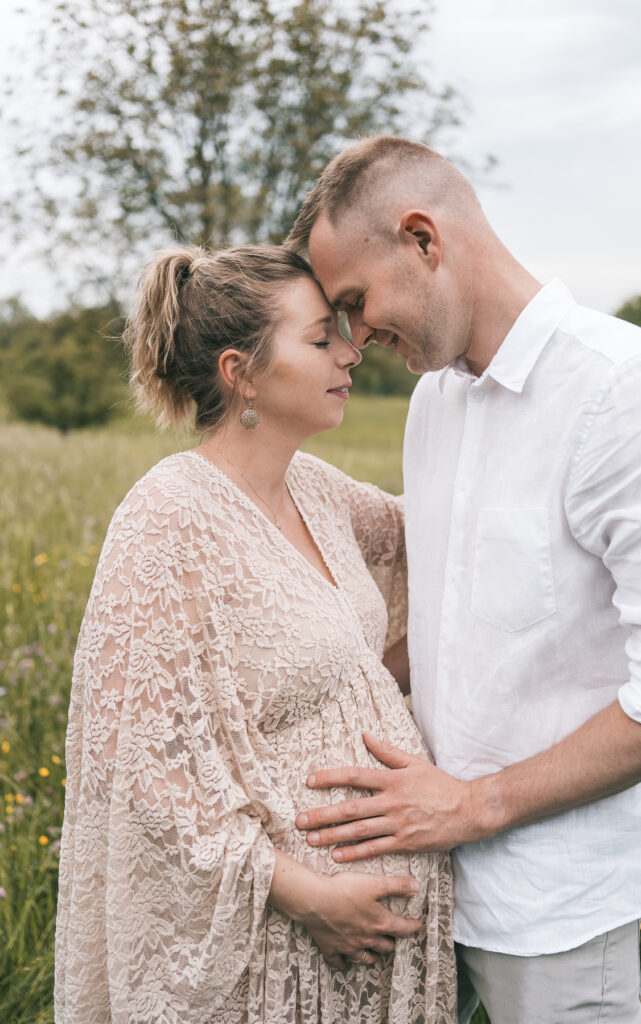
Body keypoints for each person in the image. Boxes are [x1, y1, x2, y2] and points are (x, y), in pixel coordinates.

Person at [285, 135, 641, 1024]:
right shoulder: (435, 399)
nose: (354, 336)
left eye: (354, 301)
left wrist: (472, 807)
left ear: (422, 239)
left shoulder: (623, 388)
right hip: (420, 886)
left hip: (555, 907)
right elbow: (454, 623)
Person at [54, 244, 457, 1024]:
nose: (350, 353)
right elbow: (140, 765)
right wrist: (308, 896)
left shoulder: (315, 488)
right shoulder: (168, 516)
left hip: (375, 947)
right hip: (279, 943)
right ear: (240, 372)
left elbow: (432, 539)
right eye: (320, 338)